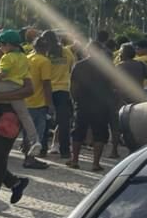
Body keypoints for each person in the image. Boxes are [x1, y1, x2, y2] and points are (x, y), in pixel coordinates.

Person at [68, 43, 115, 172]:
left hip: (82, 103)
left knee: (78, 132)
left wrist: (74, 100)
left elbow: (73, 87)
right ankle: (95, 164)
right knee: (99, 134)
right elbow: (113, 85)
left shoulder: (79, 65)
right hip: (101, 104)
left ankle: (75, 160)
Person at [21, 32, 56, 168]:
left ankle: (27, 157)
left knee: (27, 131)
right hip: (38, 102)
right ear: (46, 48)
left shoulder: (27, 58)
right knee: (37, 133)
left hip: (25, 100)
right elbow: (46, 83)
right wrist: (50, 104)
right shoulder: (44, 61)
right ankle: (30, 159)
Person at [43, 29, 75, 158]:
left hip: (46, 89)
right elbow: (71, 67)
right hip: (63, 90)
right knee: (63, 122)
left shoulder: (44, 53)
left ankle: (42, 148)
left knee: (44, 120)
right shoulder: (66, 52)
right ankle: (65, 151)